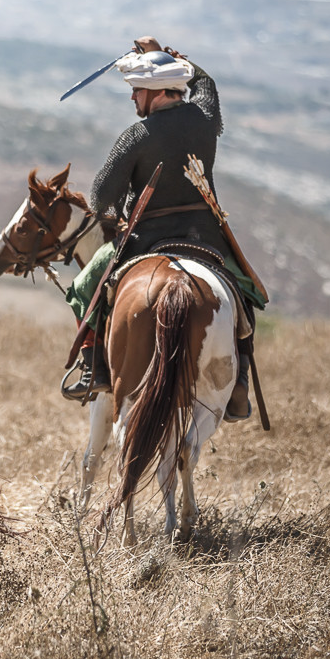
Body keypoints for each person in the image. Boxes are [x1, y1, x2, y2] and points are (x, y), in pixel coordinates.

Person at [62, 36, 264, 421]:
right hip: (208, 239)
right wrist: (171, 55)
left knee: (84, 286)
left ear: (154, 92)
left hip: (147, 241)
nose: (133, 98)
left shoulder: (136, 136)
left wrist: (120, 206)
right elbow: (207, 86)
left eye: (137, 90)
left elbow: (100, 198)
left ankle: (95, 368)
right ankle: (238, 385)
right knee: (245, 293)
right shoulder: (204, 120)